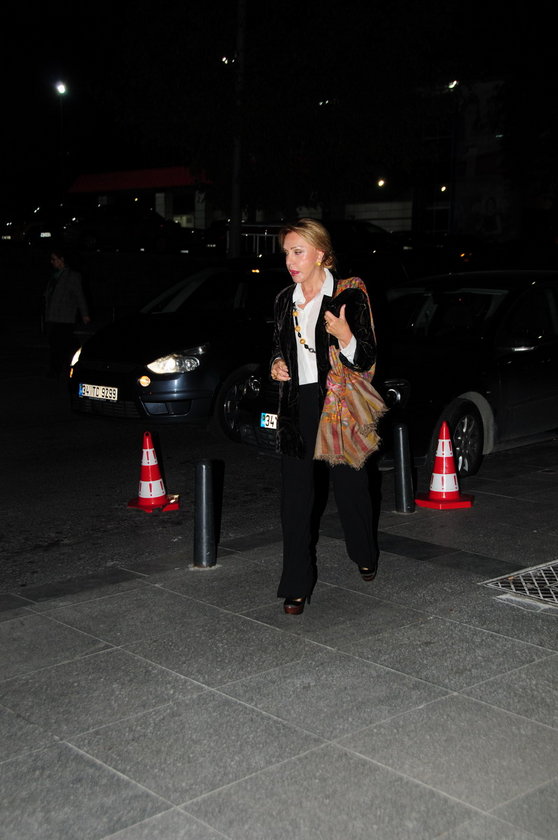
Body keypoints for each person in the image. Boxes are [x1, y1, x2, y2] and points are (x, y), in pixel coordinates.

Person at [270, 218, 385, 615]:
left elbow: (366, 357)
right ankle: (296, 584)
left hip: (337, 403)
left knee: (351, 487)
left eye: (298, 251)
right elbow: (279, 345)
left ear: (320, 253)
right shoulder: (284, 300)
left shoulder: (348, 294)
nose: (290, 260)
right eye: (287, 252)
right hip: (297, 404)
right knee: (295, 499)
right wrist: (277, 364)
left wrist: (345, 335)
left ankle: (364, 552)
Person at [43, 247, 90, 377]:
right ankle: (60, 368)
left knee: (61, 343)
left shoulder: (72, 276)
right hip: (54, 316)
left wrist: (84, 313)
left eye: (54, 259)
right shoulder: (55, 276)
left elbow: (79, 295)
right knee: (59, 342)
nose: (52, 262)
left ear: (61, 260)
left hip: (65, 316)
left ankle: (58, 369)